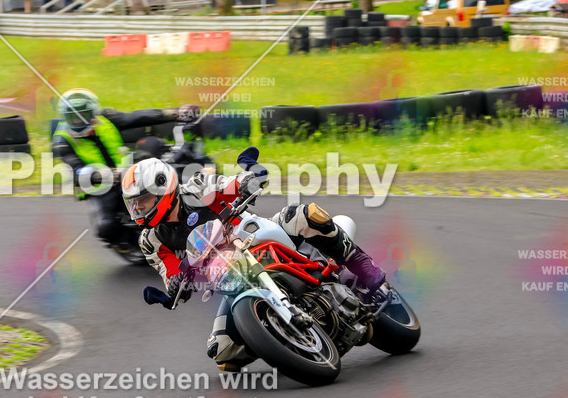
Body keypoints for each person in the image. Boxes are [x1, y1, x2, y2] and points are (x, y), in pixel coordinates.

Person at [121, 156, 387, 372]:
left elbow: (233, 184)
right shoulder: (151, 240)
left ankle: (363, 266)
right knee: (223, 353)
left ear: (162, 188)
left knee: (302, 215)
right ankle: (285, 340)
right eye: (134, 205)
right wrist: (176, 284)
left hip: (255, 238)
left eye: (143, 201)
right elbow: (171, 274)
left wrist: (248, 181)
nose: (138, 210)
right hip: (227, 273)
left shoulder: (197, 188)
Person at [51, 89, 181, 251]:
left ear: (92, 112)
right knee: (106, 227)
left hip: (126, 168)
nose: (79, 120)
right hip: (100, 186)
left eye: (83, 115)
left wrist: (171, 114)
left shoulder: (105, 117)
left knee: (156, 151)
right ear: (65, 117)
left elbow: (136, 117)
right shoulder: (62, 140)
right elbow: (76, 169)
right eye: (73, 117)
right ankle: (132, 246)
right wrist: (104, 175)